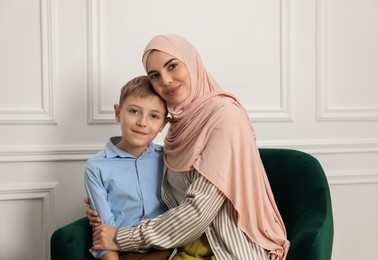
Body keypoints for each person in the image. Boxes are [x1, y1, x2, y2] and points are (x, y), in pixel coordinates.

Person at [86, 34, 290, 260]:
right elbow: (167, 196)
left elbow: (198, 212)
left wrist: (120, 237)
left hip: (228, 249)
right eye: (155, 75)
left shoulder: (226, 118)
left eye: (172, 66)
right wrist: (108, 206)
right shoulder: (177, 128)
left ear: (192, 63)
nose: (165, 80)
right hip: (183, 247)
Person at [84, 75, 172, 260]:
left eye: (154, 116)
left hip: (169, 247)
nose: (142, 122)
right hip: (125, 251)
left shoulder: (169, 157)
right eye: (134, 111)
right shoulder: (96, 167)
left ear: (163, 124)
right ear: (118, 112)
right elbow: (103, 230)